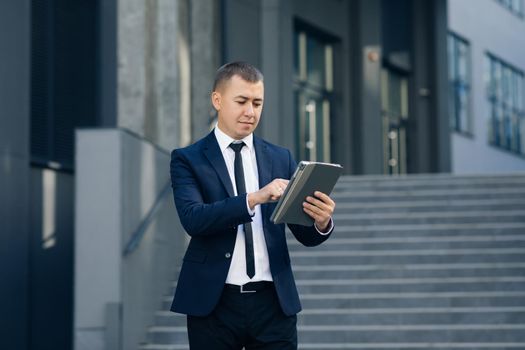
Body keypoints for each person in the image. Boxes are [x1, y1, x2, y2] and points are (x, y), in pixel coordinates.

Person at [169, 61, 336, 350]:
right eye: (242, 101)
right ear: (217, 100)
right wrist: (253, 198)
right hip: (214, 304)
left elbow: (303, 232)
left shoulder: (280, 158)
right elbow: (193, 219)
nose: (250, 111)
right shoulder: (188, 159)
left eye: (257, 103)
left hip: (273, 303)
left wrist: (321, 222)